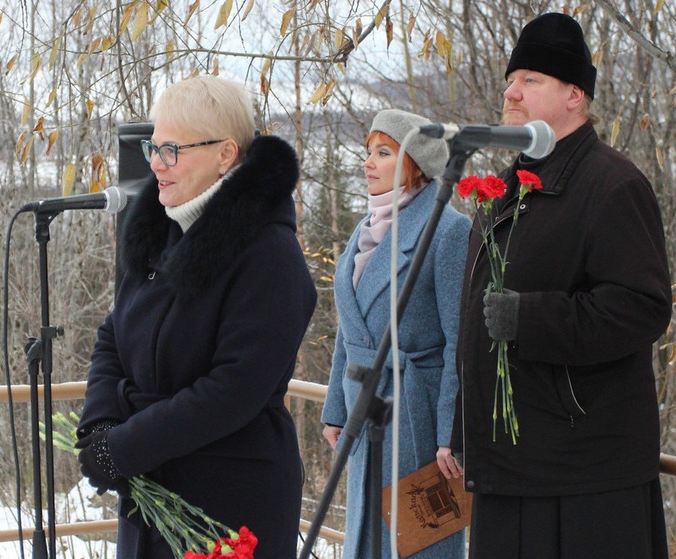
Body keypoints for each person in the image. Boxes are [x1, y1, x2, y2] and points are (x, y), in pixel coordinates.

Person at [452, 13, 673, 559]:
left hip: (583, 480)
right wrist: (464, 425)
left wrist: (531, 320)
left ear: (575, 94)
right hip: (508, 466)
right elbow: (473, 320)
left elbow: (643, 308)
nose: (511, 90)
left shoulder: (613, 184)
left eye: (530, 79)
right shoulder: (502, 189)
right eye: (511, 79)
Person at [74, 75, 317, 559]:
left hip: (227, 500)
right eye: (153, 147)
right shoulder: (160, 231)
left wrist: (126, 447)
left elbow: (233, 390)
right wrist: (100, 426)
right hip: (151, 495)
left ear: (225, 154)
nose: (156, 164)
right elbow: (114, 333)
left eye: (172, 150)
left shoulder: (268, 253)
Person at [321, 108, 470, 559]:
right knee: (366, 536)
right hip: (364, 409)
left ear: (415, 165)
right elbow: (352, 331)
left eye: (383, 153)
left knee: (417, 542)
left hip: (417, 418)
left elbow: (459, 342)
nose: (367, 162)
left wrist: (452, 431)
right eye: (367, 152)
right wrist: (334, 408)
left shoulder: (449, 230)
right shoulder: (363, 232)